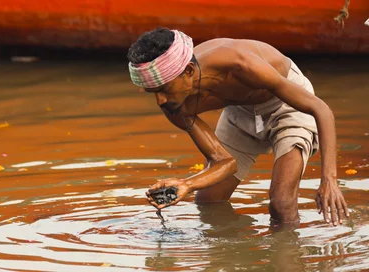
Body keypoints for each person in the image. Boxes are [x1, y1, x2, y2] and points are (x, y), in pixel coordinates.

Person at [127, 28, 348, 227]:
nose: (160, 101)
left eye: (164, 89)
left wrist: (329, 180)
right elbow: (224, 162)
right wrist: (186, 184)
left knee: (281, 203)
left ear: (189, 71)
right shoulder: (174, 106)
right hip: (240, 110)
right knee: (208, 202)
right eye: (152, 92)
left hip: (287, 105)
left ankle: (287, 259)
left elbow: (321, 110)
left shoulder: (240, 64)